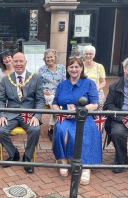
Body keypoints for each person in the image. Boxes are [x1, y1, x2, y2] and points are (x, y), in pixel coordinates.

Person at [52, 56, 100, 185]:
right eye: (71, 66)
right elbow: (55, 103)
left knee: (85, 133)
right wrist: (61, 112)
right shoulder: (62, 85)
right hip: (66, 117)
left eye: (76, 67)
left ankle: (86, 167)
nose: (74, 69)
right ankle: (64, 161)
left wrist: (79, 111)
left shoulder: (89, 83)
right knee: (62, 131)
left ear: (81, 68)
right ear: (67, 69)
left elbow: (95, 104)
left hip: (83, 117)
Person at [0, 52, 45, 174]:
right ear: (12, 62)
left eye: (20, 61)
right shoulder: (6, 80)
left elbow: (40, 100)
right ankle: (14, 154)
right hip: (11, 114)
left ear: (25, 62)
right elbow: (1, 100)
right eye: (16, 61)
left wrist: (37, 116)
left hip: (29, 114)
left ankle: (27, 158)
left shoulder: (35, 78)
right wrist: (1, 115)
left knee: (35, 130)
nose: (18, 64)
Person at [37, 49, 66, 141]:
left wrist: (59, 92)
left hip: (59, 93)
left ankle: (51, 127)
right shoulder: (41, 70)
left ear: (55, 57)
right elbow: (37, 85)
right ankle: (58, 127)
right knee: (54, 101)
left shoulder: (61, 68)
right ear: (45, 59)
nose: (49, 59)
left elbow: (65, 82)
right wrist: (43, 91)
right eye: (47, 57)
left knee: (57, 103)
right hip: (46, 94)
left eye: (51, 57)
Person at [83, 45, 106, 110]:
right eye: (86, 54)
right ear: (84, 55)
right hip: (83, 90)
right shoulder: (80, 66)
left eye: (90, 54)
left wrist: (97, 88)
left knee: (99, 103)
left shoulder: (99, 66)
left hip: (95, 90)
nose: (88, 56)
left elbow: (103, 82)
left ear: (94, 55)